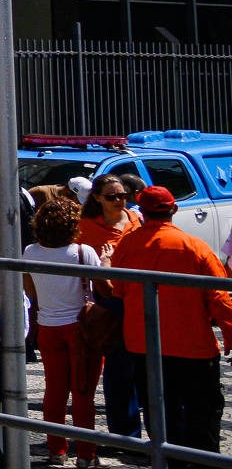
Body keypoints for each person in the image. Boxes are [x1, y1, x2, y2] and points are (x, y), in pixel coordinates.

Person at [109, 184, 232, 457]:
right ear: (173, 209)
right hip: (193, 347)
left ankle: (168, 460)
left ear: (142, 210)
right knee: (203, 410)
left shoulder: (127, 244)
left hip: (144, 346)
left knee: (159, 409)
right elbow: (221, 299)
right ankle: (202, 462)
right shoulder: (195, 246)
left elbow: (117, 289)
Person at [23, 193, 102, 467]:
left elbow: (30, 291)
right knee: (83, 393)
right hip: (80, 329)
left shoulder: (30, 252)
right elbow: (102, 288)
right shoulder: (83, 253)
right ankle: (86, 455)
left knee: (54, 392)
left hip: (47, 326)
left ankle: (57, 449)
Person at [78, 175, 142, 440]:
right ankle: (125, 433)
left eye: (122, 195)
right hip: (110, 303)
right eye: (112, 197)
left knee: (143, 366)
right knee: (119, 370)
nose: (119, 201)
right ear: (97, 198)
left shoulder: (135, 219)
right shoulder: (87, 226)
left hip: (138, 299)